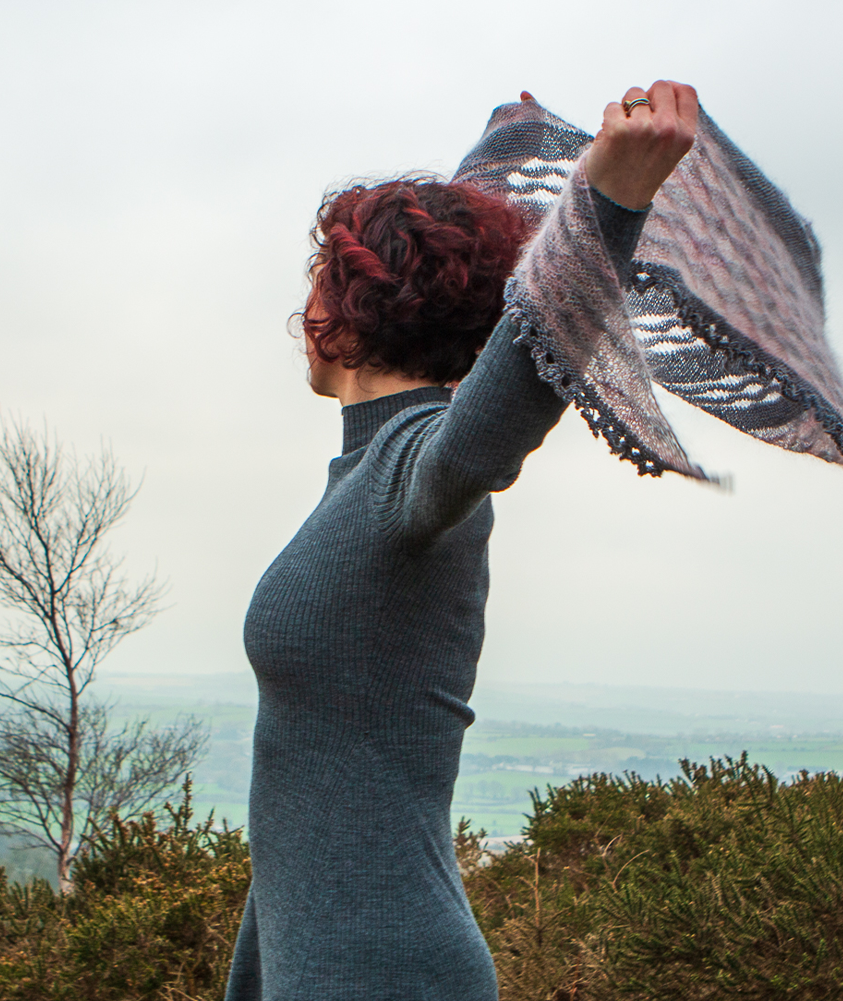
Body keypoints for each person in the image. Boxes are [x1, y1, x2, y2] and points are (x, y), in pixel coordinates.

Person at [225, 82, 699, 1001]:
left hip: (388, 975)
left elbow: (497, 412)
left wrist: (607, 205)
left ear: (352, 309)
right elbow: (307, 812)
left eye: (322, 280)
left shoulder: (415, 471)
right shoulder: (364, 484)